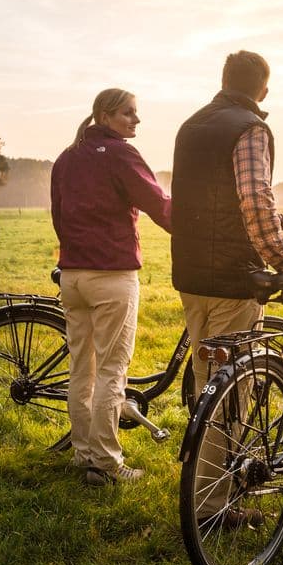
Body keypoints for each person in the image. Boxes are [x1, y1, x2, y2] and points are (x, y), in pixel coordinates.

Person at [170, 50, 283, 522]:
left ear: (223, 80)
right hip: (234, 277)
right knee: (230, 391)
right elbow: (253, 199)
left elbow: (214, 198)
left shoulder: (191, 124)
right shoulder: (250, 128)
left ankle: (207, 484)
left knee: (206, 379)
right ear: (264, 90)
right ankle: (214, 504)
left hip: (191, 274)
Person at [50, 88, 171, 486]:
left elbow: (58, 215)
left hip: (73, 275)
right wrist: (198, 228)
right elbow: (159, 205)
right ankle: (106, 463)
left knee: (80, 369)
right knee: (111, 370)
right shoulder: (120, 154)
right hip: (112, 276)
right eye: (128, 113)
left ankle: (84, 454)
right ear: (105, 115)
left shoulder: (66, 158)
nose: (136, 121)